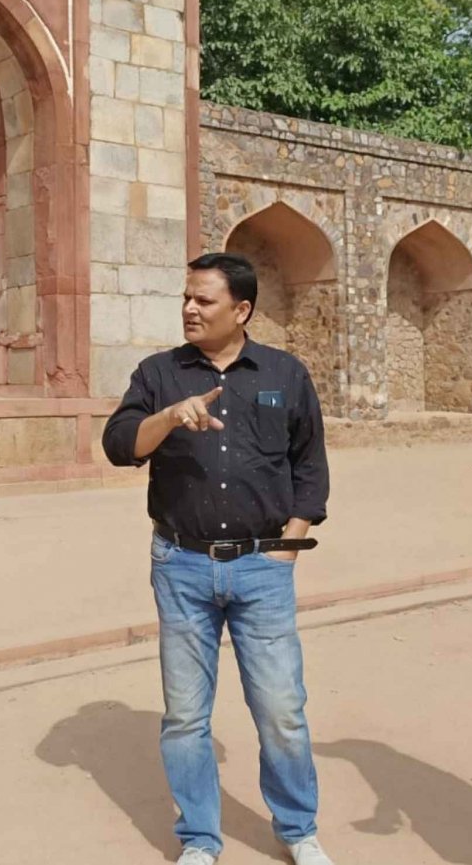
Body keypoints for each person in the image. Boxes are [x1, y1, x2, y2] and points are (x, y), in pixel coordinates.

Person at [102, 252, 336, 865]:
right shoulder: (159, 373)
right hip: (181, 565)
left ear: (242, 309)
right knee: (185, 715)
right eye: (186, 297)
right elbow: (119, 445)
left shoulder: (285, 374)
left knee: (281, 709)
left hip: (264, 565)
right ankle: (201, 839)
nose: (189, 309)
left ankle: (297, 831)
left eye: (204, 300)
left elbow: (309, 466)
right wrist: (169, 416)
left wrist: (289, 544)